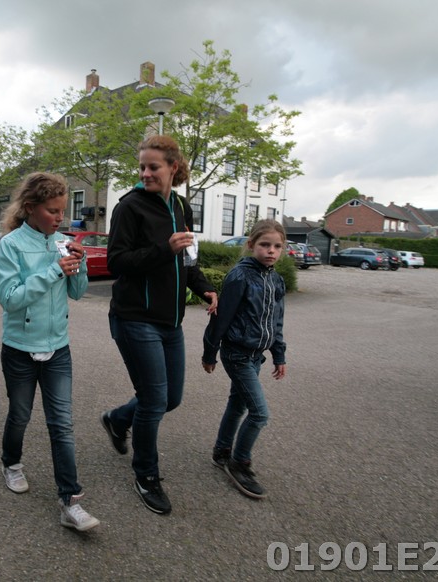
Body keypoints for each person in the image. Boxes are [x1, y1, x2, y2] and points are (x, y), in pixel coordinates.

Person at [100, 135, 218, 515]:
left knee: (171, 399)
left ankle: (118, 419)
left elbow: (188, 259)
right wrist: (162, 249)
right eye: (142, 167)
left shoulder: (182, 206)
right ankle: (146, 475)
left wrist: (205, 288)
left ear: (173, 168)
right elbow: (116, 262)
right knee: (153, 401)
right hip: (134, 318)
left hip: (170, 321)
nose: (145, 173)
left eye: (153, 167)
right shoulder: (129, 207)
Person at [0, 172, 99, 532]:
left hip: (58, 349)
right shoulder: (10, 245)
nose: (60, 217)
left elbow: (78, 293)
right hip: (19, 349)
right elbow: (10, 300)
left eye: (62, 211)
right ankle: (11, 463)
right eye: (52, 211)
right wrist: (53, 271)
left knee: (62, 424)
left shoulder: (63, 243)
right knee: (20, 415)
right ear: (30, 208)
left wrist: (79, 264)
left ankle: (70, 501)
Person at [202, 219, 288, 500]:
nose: (271, 251)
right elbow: (221, 317)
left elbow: (276, 322)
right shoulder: (240, 276)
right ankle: (239, 462)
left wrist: (278, 355)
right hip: (237, 353)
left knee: (237, 405)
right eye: (265, 245)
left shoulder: (276, 280)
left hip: (256, 356)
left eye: (277, 246)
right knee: (259, 413)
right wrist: (210, 352)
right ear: (251, 245)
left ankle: (222, 451)